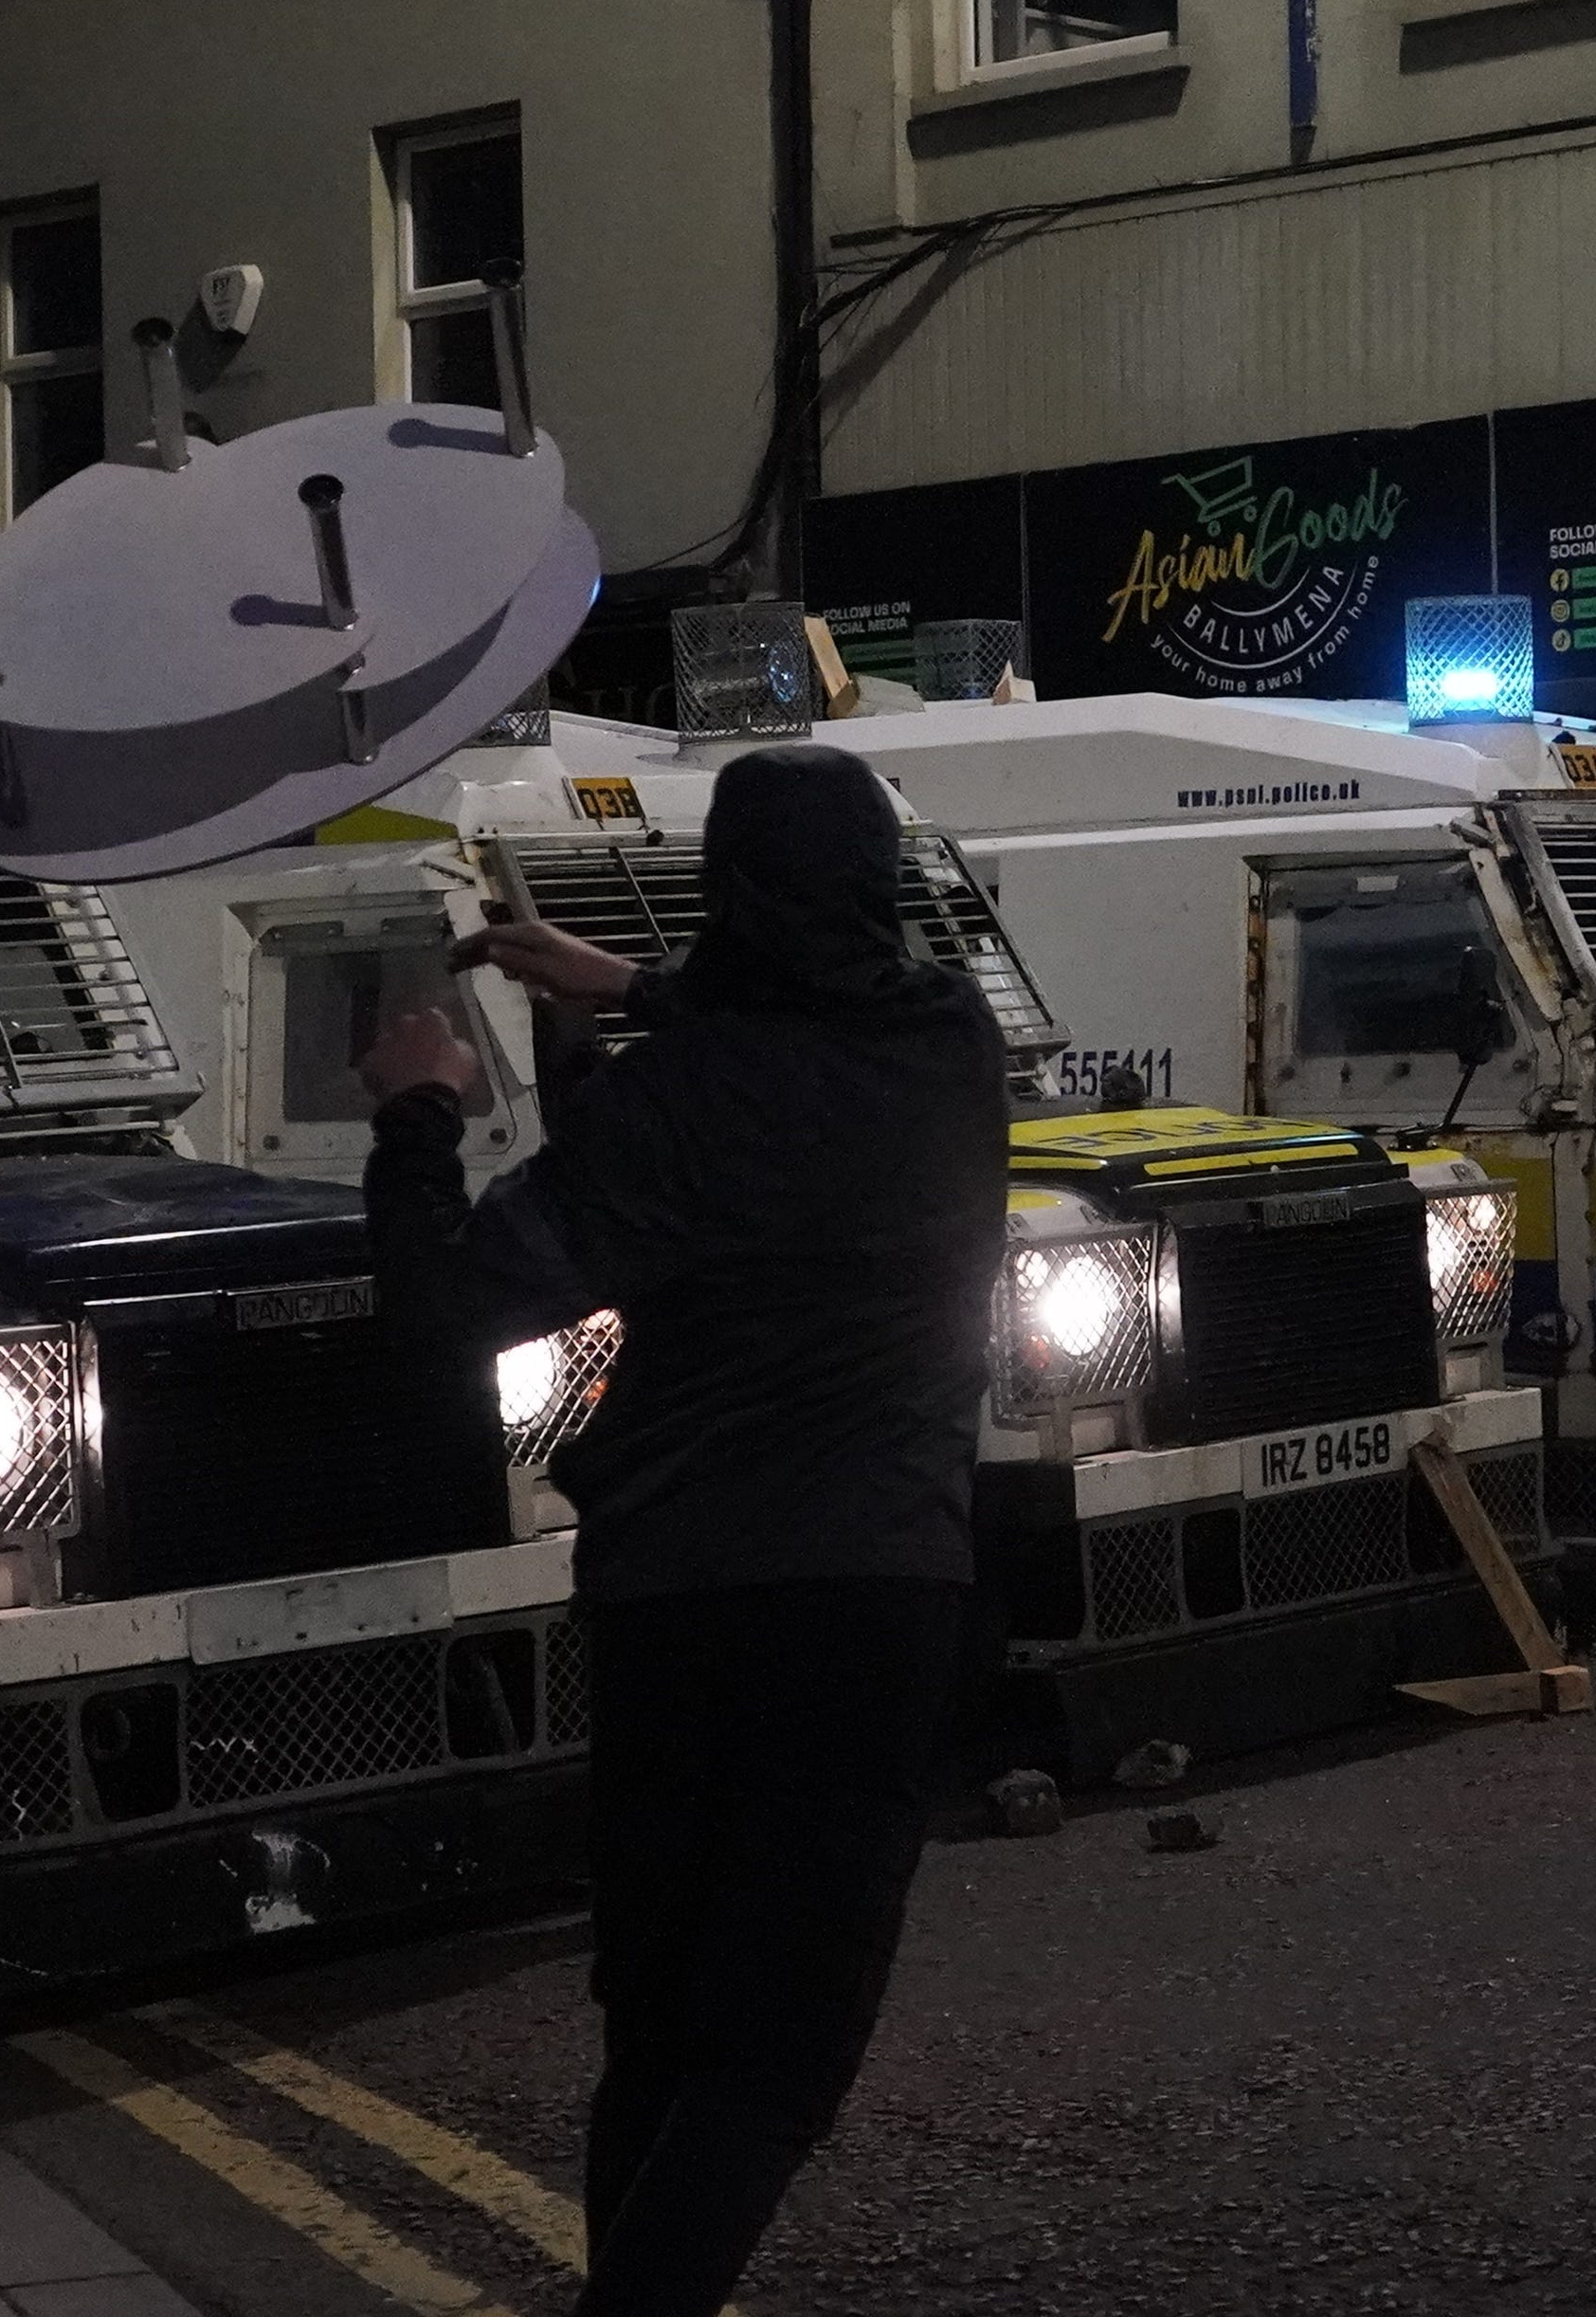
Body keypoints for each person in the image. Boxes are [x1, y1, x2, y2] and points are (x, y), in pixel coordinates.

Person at [355, 743, 1009, 2317]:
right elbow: (815, 1010)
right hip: (875, 1593)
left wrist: (421, 1113)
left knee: (657, 2024)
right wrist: (630, 989)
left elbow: (447, 1307)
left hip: (673, 1597)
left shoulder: (667, 1109)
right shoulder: (950, 1045)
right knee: (780, 2056)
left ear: (721, 890)